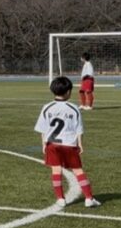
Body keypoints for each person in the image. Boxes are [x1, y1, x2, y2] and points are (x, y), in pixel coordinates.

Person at [34, 76, 100, 208]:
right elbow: (79, 129)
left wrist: (43, 144)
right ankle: (89, 198)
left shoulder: (47, 107)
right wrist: (80, 144)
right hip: (69, 144)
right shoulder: (73, 108)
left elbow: (43, 128)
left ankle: (60, 199)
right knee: (78, 170)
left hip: (52, 144)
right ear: (68, 91)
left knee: (56, 170)